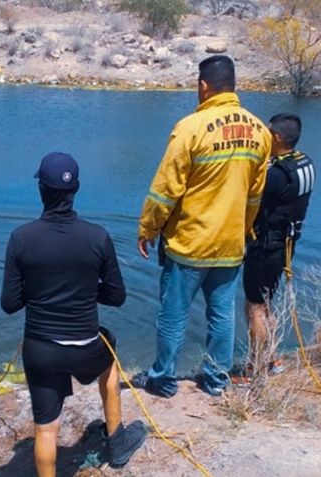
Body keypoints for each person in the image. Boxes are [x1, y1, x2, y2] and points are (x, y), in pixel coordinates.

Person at [0, 152, 147, 476]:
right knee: (108, 356)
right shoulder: (97, 237)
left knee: (46, 429)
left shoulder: (21, 239)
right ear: (75, 189)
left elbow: (9, 304)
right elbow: (117, 296)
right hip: (84, 346)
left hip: (41, 350)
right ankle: (117, 441)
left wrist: (40, 290)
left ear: (41, 189)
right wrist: (83, 289)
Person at [135, 55, 272, 398]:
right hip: (229, 246)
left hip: (189, 244)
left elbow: (165, 189)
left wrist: (148, 227)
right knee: (221, 316)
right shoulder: (259, 131)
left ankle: (163, 379)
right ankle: (215, 380)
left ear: (203, 86)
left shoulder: (190, 128)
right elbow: (255, 196)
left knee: (173, 315)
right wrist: (242, 232)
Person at [242, 113, 315, 367]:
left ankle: (256, 366)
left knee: (254, 308)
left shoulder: (276, 174)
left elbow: (251, 203)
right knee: (265, 303)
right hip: (286, 243)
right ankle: (272, 358)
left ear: (276, 136)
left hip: (266, 245)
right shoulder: (304, 162)